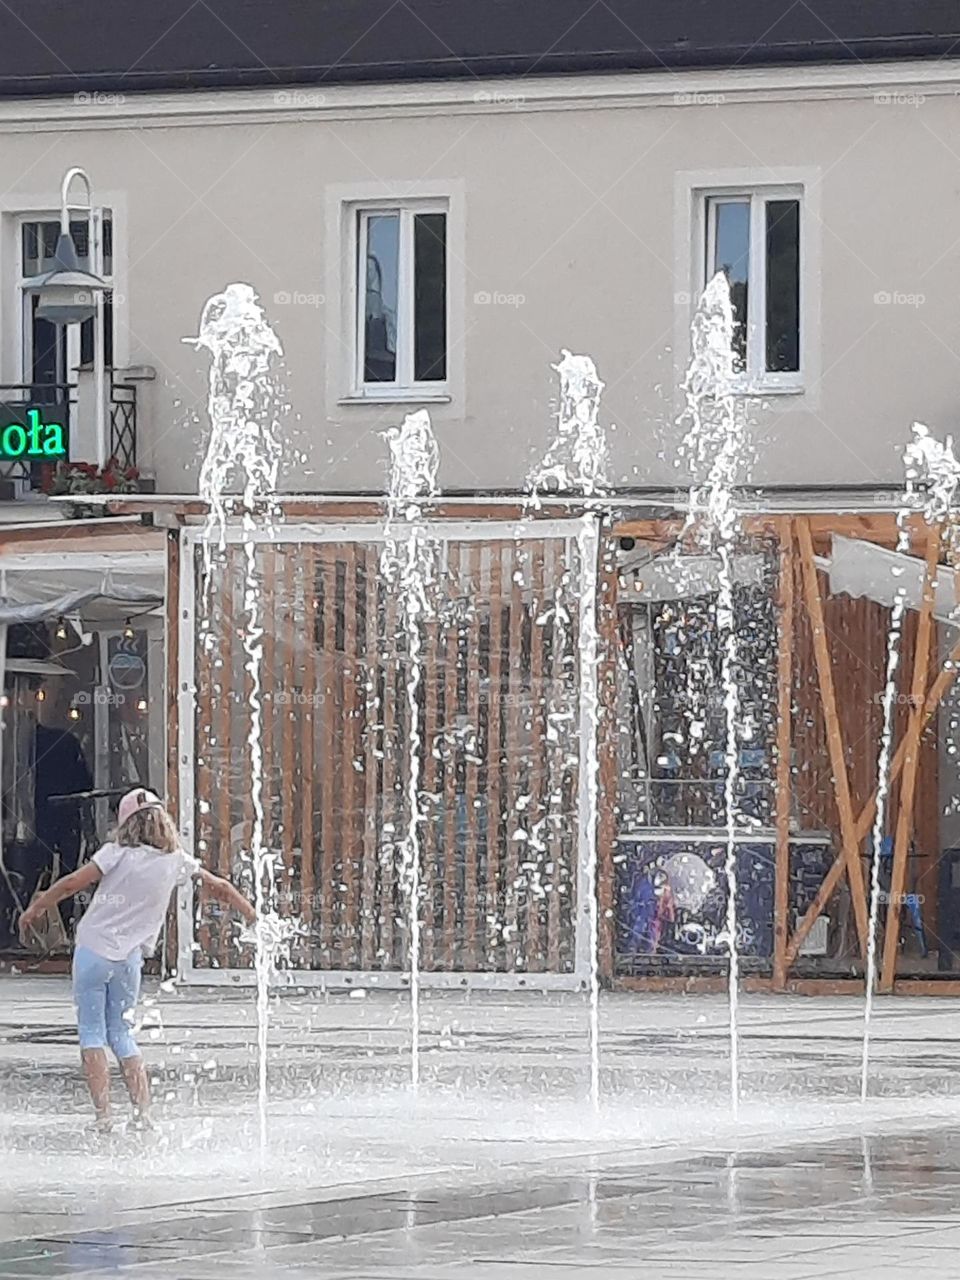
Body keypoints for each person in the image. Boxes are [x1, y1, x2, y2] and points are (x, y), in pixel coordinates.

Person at [18, 787, 256, 1131]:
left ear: (125, 823)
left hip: (92, 952)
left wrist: (37, 907)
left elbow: (72, 883)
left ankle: (103, 1117)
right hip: (129, 960)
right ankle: (142, 1113)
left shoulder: (114, 854)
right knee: (122, 1033)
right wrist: (250, 913)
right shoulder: (176, 862)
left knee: (91, 1033)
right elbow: (218, 886)